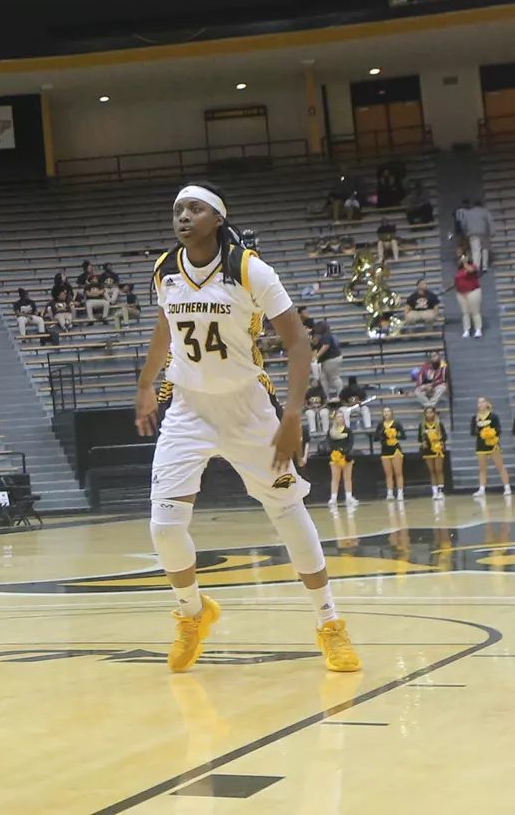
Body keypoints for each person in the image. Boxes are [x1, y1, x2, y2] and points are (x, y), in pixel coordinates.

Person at [134, 183, 360, 674]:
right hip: (188, 409)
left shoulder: (250, 269)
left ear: (217, 218)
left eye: (194, 208)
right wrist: (146, 383)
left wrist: (293, 416)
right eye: (177, 209)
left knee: (286, 510)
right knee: (164, 526)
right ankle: (193, 614)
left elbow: (298, 346)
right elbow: (164, 328)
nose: (183, 216)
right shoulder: (165, 270)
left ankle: (330, 623)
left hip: (247, 409)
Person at [470, 397, 511, 499]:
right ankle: (482, 489)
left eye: (483, 402)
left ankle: (507, 487)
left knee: (500, 466)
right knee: (482, 468)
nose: (481, 404)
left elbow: (499, 430)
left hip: (493, 444)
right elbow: (472, 433)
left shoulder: (493, 416)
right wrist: (479, 431)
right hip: (481, 445)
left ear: (487, 404)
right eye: (479, 402)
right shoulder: (475, 417)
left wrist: (491, 434)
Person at [326, 408, 357, 508]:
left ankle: (349, 497)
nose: (340, 419)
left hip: (346, 456)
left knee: (347, 478)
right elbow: (329, 443)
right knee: (335, 478)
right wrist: (336, 451)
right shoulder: (331, 431)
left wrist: (345, 451)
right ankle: (333, 498)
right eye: (338, 417)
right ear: (335, 419)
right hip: (335, 457)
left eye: (342, 417)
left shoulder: (348, 430)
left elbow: (350, 443)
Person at [376, 407, 405, 503]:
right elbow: (375, 438)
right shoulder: (380, 425)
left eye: (388, 411)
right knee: (388, 474)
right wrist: (383, 434)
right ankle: (390, 493)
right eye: (384, 411)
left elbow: (404, 436)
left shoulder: (397, 423)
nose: (386, 413)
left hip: (395, 449)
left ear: (392, 413)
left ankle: (400, 493)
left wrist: (395, 435)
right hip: (385, 450)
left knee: (398, 473)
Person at [455, 199, 493, 271]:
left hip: (472, 233)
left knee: (475, 250)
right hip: (484, 233)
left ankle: (476, 267)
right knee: (485, 249)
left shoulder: (468, 213)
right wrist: (492, 232)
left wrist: (466, 232)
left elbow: (463, 223)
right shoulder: (485, 212)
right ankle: (485, 266)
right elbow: (490, 222)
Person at [420, 406, 448, 499]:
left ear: (434, 413)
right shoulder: (422, 425)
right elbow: (419, 437)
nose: (429, 414)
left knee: (438, 469)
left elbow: (445, 437)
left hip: (437, 449)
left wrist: (439, 440)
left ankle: (441, 490)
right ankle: (434, 491)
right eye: (427, 413)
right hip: (427, 450)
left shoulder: (439, 424)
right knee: (431, 471)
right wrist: (423, 442)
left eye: (431, 412)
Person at [453, 256, 483, 338]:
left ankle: (478, 329)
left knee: (475, 311)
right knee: (465, 313)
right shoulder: (459, 271)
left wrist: (465, 263)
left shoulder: (473, 267)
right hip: (461, 293)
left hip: (473, 292)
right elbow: (456, 281)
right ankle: (466, 330)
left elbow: (471, 271)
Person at [312, 322, 343, 400]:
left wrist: (316, 357)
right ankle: (325, 396)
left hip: (332, 359)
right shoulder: (323, 337)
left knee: (334, 377)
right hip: (327, 360)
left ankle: (340, 395)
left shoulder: (326, 336)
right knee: (323, 378)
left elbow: (325, 346)